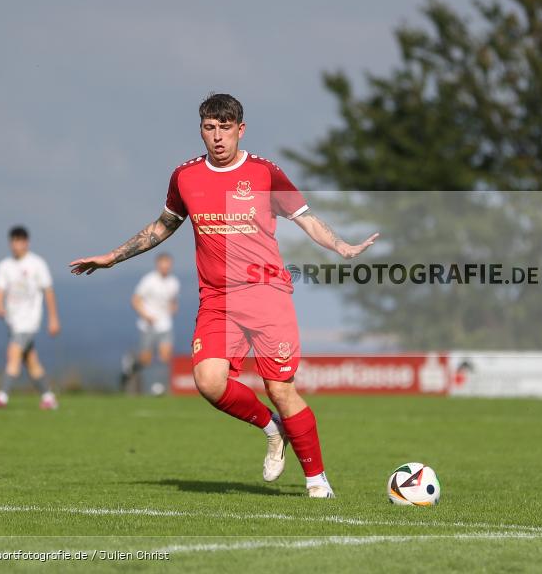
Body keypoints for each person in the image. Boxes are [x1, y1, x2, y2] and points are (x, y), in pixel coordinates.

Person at [69, 93, 377, 498]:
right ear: (201, 130)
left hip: (267, 292)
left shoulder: (265, 174)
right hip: (217, 298)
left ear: (240, 130)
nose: (217, 137)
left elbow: (306, 218)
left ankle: (317, 482)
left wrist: (341, 247)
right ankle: (272, 428)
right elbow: (163, 226)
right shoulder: (185, 177)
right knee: (209, 381)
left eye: (225, 128)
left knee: (281, 390)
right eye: (209, 128)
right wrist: (113, 256)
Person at [0, 226, 61, 410]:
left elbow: (48, 291)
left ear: (27, 242)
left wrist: (53, 318)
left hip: (29, 321)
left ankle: (2, 396)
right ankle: (49, 398)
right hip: (13, 321)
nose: (16, 245)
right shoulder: (5, 266)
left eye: (20, 241)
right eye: (13, 241)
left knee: (13, 356)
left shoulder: (37, 264)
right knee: (31, 362)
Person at [121, 253, 180, 395]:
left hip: (165, 325)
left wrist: (173, 309)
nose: (166, 267)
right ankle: (131, 365)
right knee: (146, 360)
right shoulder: (149, 280)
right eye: (163, 264)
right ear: (158, 265)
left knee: (165, 357)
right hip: (148, 325)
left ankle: (159, 387)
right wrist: (145, 315)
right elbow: (135, 300)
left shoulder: (174, 282)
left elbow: (173, 301)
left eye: (168, 264)